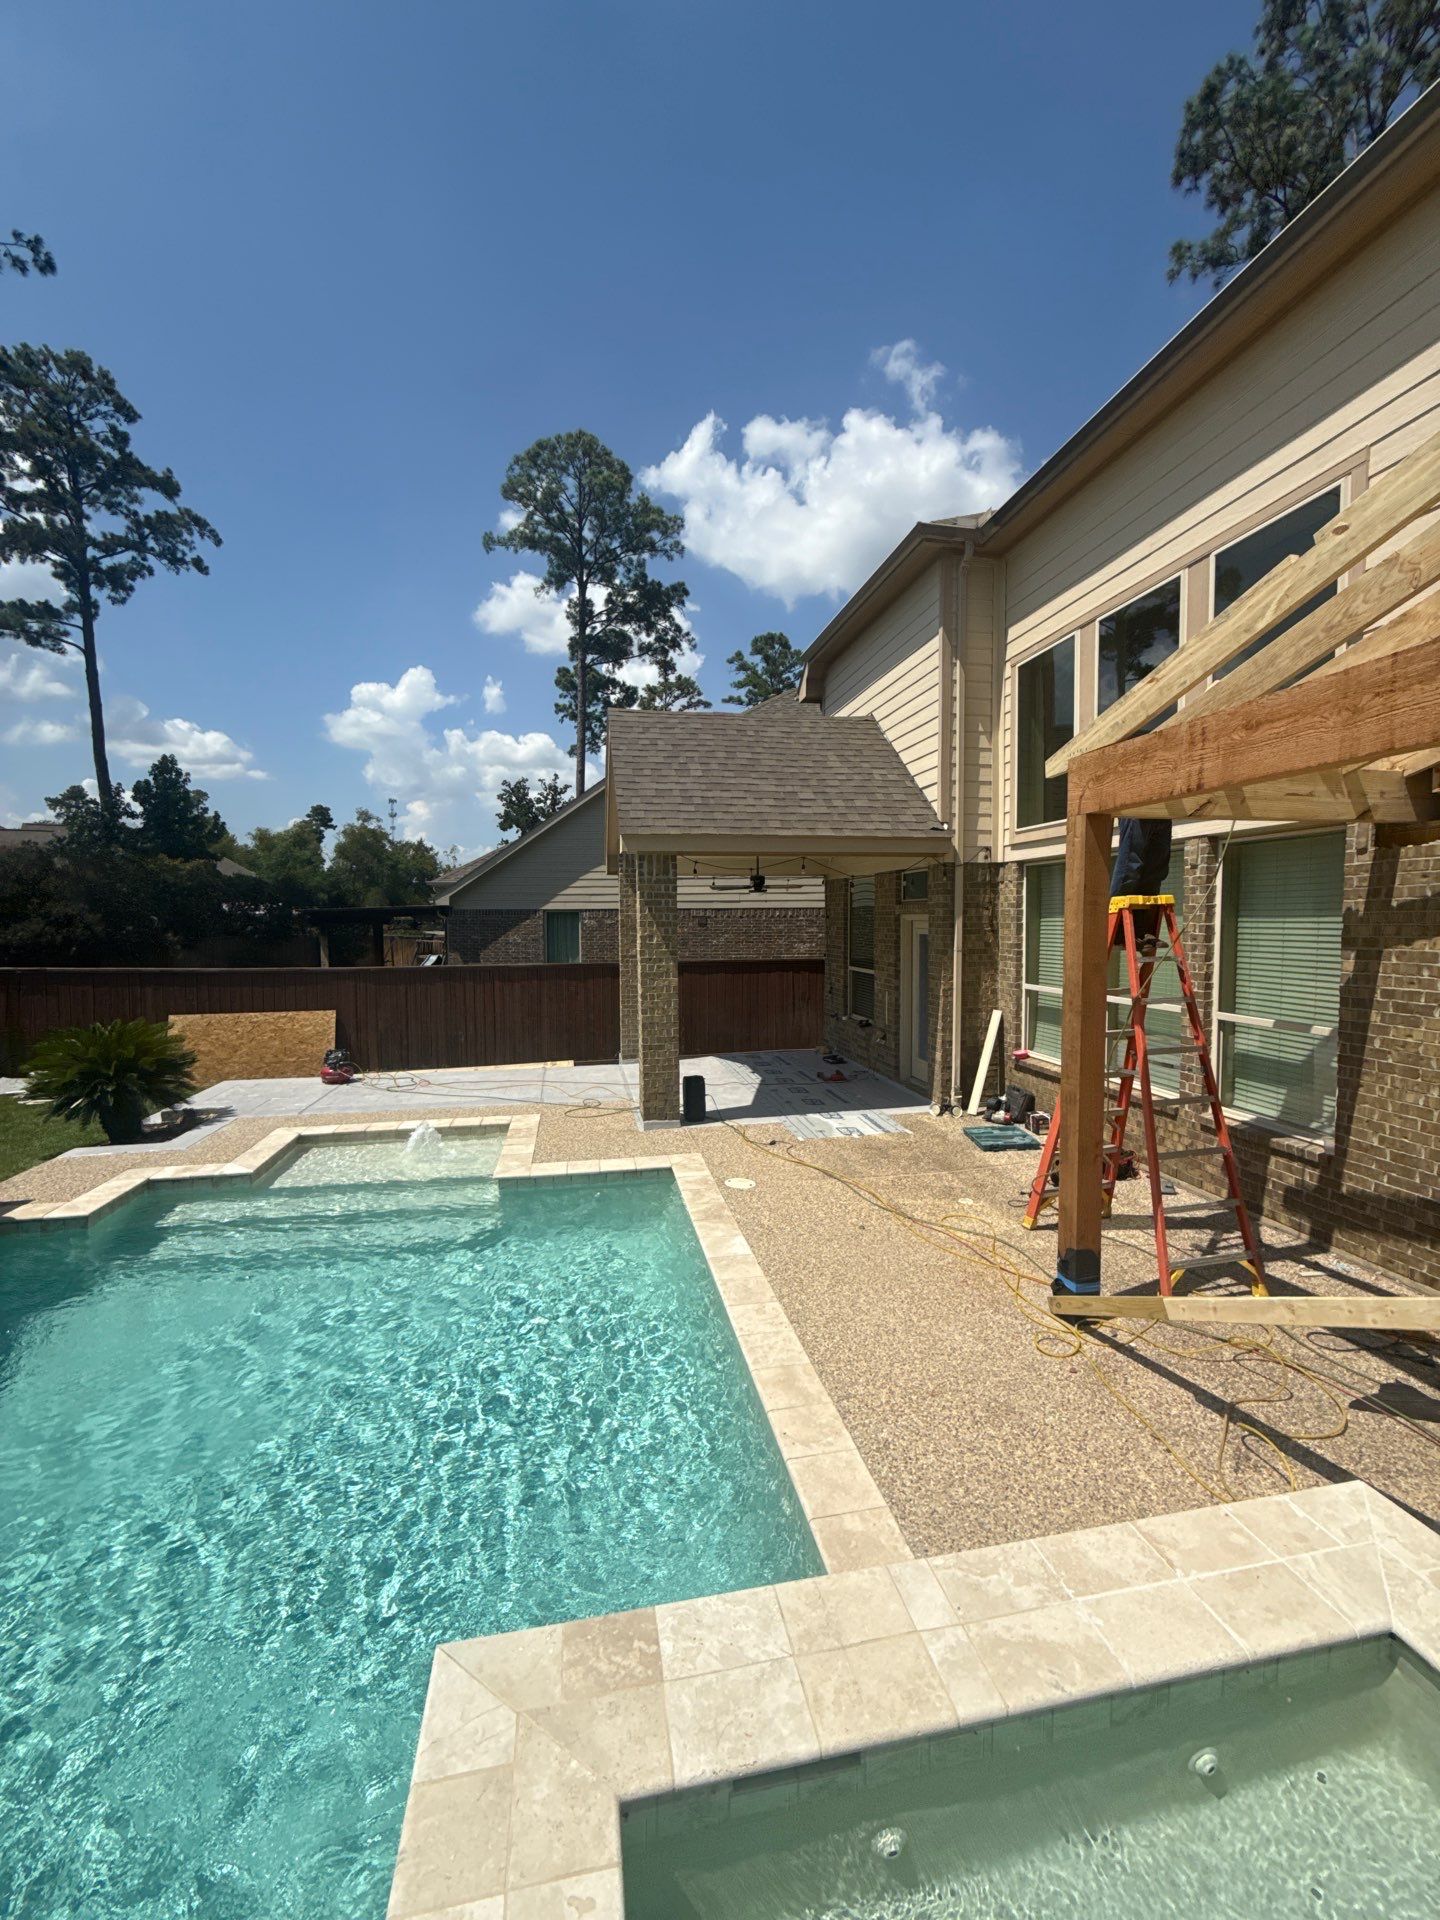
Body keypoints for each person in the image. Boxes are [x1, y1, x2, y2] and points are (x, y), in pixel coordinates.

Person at [1109, 817, 1172, 951]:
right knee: (1130, 868)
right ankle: (1119, 932)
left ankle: (1142, 932)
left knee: (1156, 870)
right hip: (1136, 810)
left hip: (1162, 811)